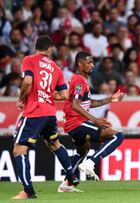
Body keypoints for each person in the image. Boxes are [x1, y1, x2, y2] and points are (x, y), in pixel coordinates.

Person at [12, 35, 79, 199]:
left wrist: (21, 98)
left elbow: (27, 81)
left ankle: (28, 192)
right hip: (50, 113)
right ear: (49, 50)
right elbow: (64, 94)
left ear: (36, 47)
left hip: (34, 112)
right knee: (55, 144)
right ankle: (71, 177)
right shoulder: (56, 68)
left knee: (19, 150)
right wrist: (47, 95)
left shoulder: (30, 59)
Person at [58, 51, 125, 192]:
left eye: (92, 62)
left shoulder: (81, 81)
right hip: (77, 123)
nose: (92, 65)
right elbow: (76, 105)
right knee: (117, 136)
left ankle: (66, 184)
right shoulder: (78, 81)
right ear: (79, 64)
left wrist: (110, 99)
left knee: (82, 151)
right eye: (88, 62)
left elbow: (89, 103)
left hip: (73, 125)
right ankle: (91, 162)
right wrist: (96, 121)